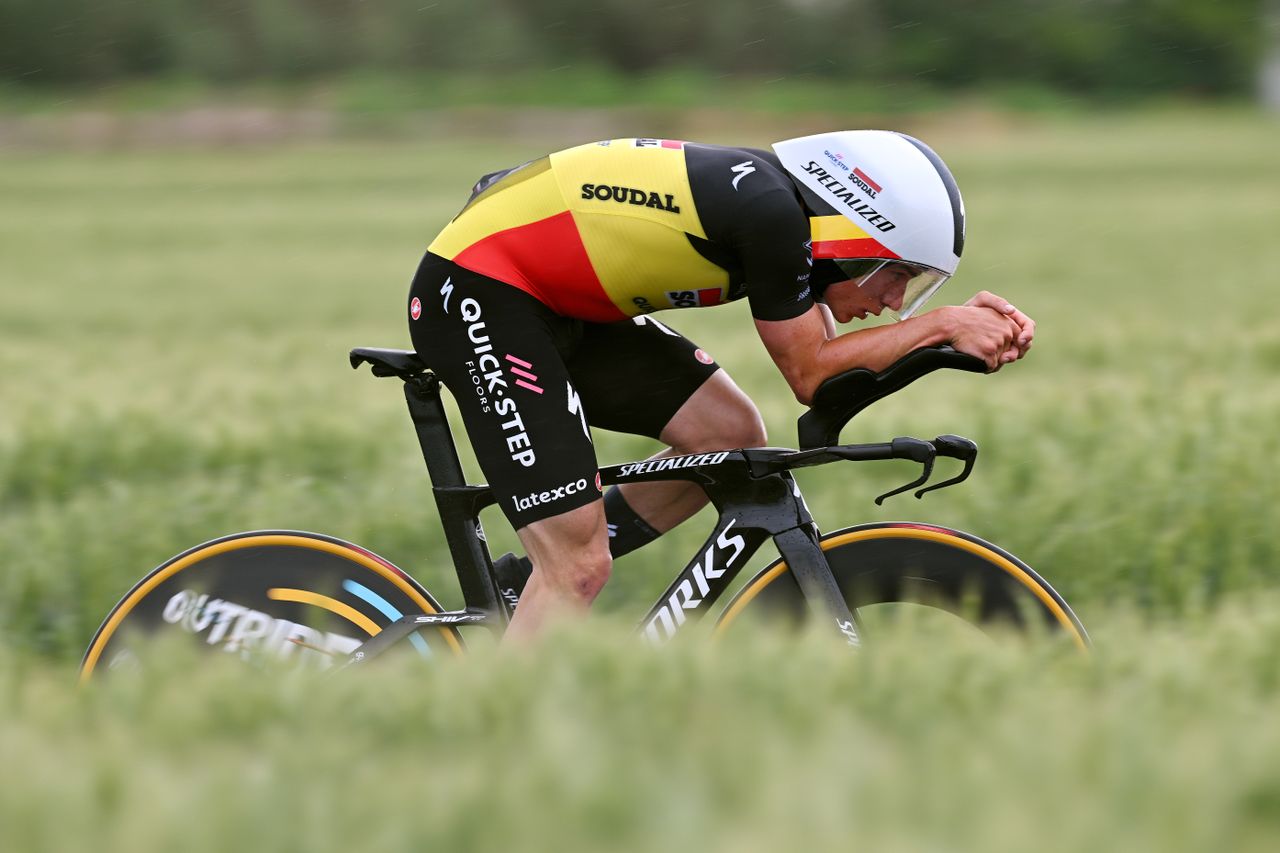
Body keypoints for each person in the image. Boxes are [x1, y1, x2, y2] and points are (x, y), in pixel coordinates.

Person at [406, 131, 1033, 640]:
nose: (896, 300)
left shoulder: (784, 217)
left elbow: (824, 385)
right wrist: (944, 326)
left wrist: (937, 339)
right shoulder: (771, 216)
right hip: (479, 291)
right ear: (857, 233)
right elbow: (811, 371)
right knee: (577, 567)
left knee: (729, 436)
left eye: (915, 289)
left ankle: (521, 586)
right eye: (898, 275)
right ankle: (498, 738)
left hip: (558, 305)